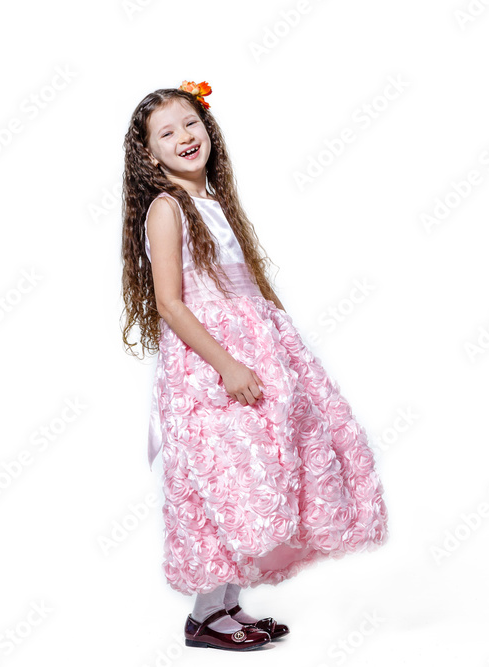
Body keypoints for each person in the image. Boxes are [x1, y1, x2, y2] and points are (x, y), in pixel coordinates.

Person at [120, 81, 388, 651]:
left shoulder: (211, 203)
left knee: (263, 473)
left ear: (207, 128)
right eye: (166, 133)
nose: (184, 137)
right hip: (210, 364)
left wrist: (283, 344)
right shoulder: (167, 210)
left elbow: (245, 287)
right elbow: (171, 302)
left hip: (258, 350)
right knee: (227, 479)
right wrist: (227, 365)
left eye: (190, 124)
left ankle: (226, 607)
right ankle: (204, 617)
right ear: (149, 154)